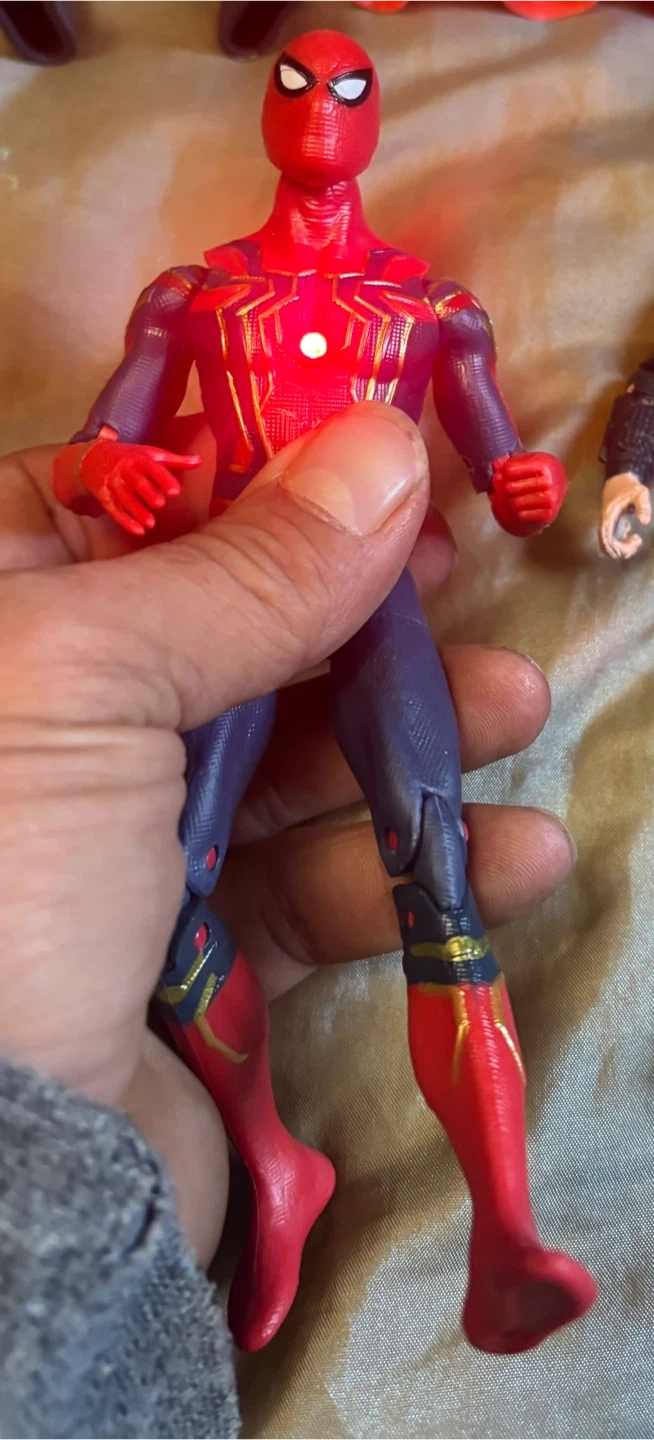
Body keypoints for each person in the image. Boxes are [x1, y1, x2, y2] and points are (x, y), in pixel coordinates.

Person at [0, 405, 576, 1436]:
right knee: (174, 890)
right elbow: (108, 435)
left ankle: (508, 1230)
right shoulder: (196, 309)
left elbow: (496, 454)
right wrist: (103, 470)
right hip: (230, 579)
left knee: (435, 871)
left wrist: (520, 481)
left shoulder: (431, 317)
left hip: (373, 591)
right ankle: (274, 1163)